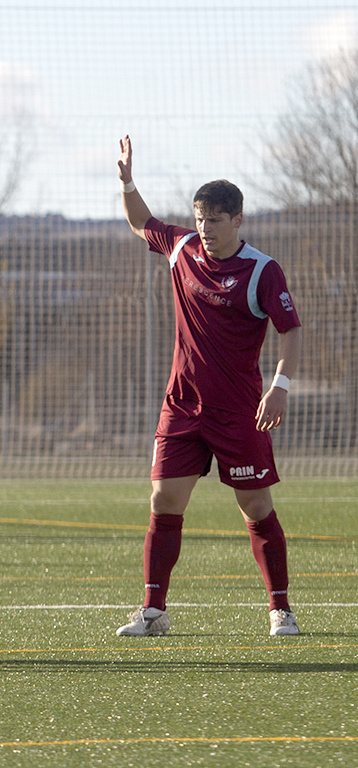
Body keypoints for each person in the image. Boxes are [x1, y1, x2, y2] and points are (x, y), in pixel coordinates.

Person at [115, 136, 303, 638]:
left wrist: (280, 384)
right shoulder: (182, 249)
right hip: (182, 407)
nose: (205, 229)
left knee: (256, 507)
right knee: (163, 503)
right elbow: (141, 223)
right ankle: (154, 611)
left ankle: (280, 609)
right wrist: (128, 181)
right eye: (199, 219)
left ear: (237, 220)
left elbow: (290, 330)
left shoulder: (262, 270)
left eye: (215, 221)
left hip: (240, 411)